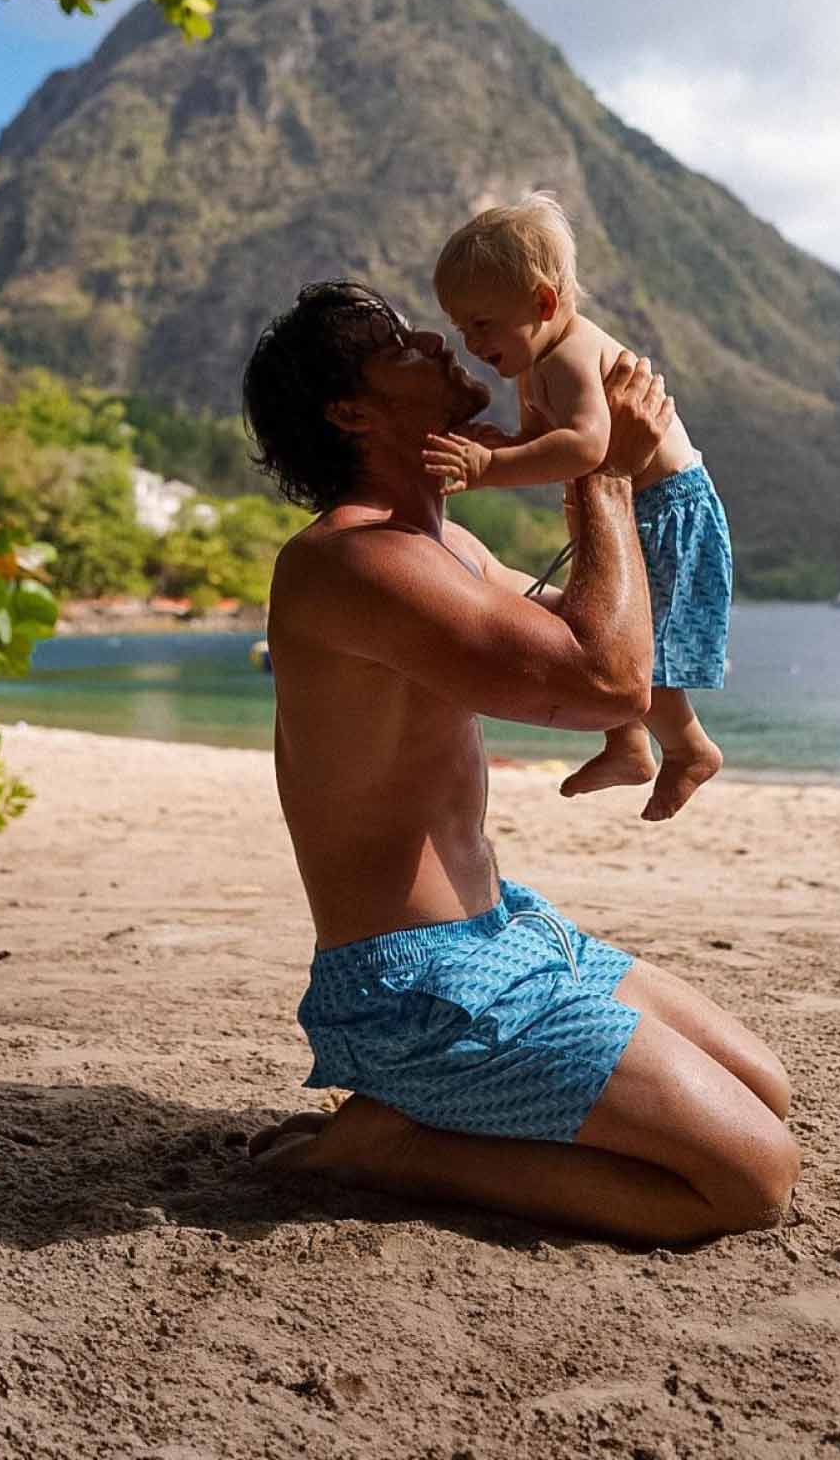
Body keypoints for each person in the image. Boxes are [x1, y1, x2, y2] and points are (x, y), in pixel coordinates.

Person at [240, 280, 797, 1245]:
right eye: (394, 342)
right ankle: (397, 1148)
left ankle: (434, 1118)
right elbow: (608, 685)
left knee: (766, 1091)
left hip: (506, 930)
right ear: (352, 411)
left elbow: (601, 636)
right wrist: (605, 468)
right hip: (417, 986)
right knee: (750, 1180)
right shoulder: (353, 563)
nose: (428, 337)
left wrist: (609, 462)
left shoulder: (446, 544)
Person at [426, 193, 731, 821]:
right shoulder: (532, 362)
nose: (470, 342)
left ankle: (689, 749)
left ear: (541, 304)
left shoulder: (566, 358)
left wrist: (490, 469)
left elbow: (587, 446)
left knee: (640, 648)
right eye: (461, 328)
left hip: (667, 505)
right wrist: (506, 447)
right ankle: (628, 745)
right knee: (602, 620)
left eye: (481, 324)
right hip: (624, 503)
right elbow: (549, 445)